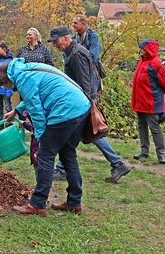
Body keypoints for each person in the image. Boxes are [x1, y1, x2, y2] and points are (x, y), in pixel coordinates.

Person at [0, 59, 89, 215]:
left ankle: (37, 203)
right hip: (81, 106)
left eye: (5, 85)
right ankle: (74, 202)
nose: (7, 89)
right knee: (68, 155)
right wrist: (17, 110)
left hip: (64, 112)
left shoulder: (23, 79)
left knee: (45, 155)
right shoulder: (27, 69)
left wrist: (40, 136)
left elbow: (36, 111)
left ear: (7, 79)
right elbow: (36, 94)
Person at [48, 26, 132, 183]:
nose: (54, 44)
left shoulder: (76, 54)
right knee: (89, 133)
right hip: (83, 100)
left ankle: (117, 163)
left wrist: (88, 104)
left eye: (56, 40)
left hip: (83, 101)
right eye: (52, 42)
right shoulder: (72, 52)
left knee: (90, 132)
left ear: (66, 37)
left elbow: (85, 81)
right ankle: (117, 164)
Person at [131, 38, 165, 164]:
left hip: (151, 102)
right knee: (142, 127)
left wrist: (157, 97)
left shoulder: (156, 63)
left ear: (148, 49)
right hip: (140, 102)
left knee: (155, 129)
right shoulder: (141, 62)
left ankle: (161, 155)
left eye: (142, 48)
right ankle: (144, 151)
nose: (141, 50)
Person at [72, 14, 106, 91]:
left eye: (75, 23)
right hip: (77, 70)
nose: (73, 25)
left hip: (91, 69)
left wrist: (79, 61)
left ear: (83, 23)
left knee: (92, 95)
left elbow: (93, 56)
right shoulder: (73, 38)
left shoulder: (93, 36)